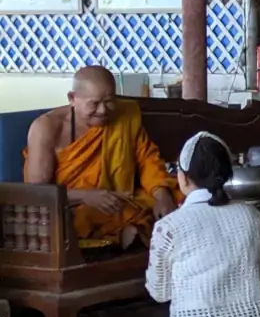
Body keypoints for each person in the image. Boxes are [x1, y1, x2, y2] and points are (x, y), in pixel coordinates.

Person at [141, 132, 260, 317]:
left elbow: (160, 293)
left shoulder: (170, 226)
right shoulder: (251, 215)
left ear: (184, 177)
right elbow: (258, 264)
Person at [24, 65, 175, 246]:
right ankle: (128, 233)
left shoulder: (125, 115)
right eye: (94, 104)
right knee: (81, 217)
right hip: (72, 205)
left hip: (118, 198)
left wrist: (162, 196)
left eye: (110, 101)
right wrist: (85, 196)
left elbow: (147, 161)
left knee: (182, 198)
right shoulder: (47, 128)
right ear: (72, 98)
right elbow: (36, 192)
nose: (103, 110)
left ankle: (130, 233)